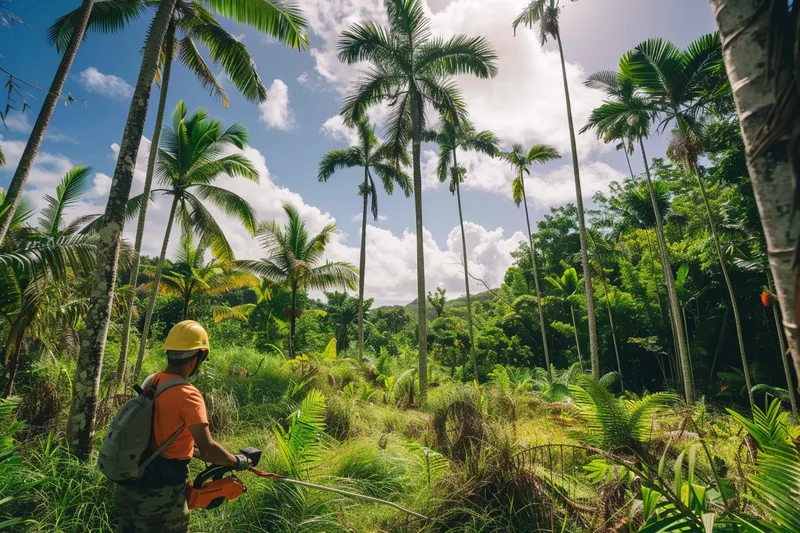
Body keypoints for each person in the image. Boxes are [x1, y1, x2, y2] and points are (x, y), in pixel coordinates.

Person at [115, 320, 249, 533]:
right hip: (160, 495)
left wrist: (191, 451)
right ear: (199, 356)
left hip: (130, 484)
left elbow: (156, 435)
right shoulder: (189, 396)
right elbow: (208, 448)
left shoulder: (151, 382)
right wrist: (237, 460)